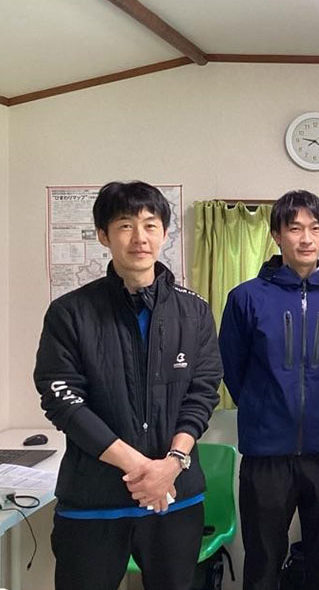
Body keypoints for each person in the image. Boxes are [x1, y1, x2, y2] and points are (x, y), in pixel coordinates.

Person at [34, 181, 222, 590]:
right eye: (125, 225)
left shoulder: (194, 311)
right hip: (94, 502)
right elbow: (63, 399)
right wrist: (141, 468)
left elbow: (203, 392)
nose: (140, 237)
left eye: (150, 225)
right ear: (104, 235)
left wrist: (171, 464)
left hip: (175, 500)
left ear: (164, 233)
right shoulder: (70, 313)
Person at [219, 189, 319, 590]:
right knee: (263, 562)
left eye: (315, 228)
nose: (306, 238)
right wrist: (265, 406)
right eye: (295, 228)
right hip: (266, 454)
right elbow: (232, 367)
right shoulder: (246, 297)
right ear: (276, 235)